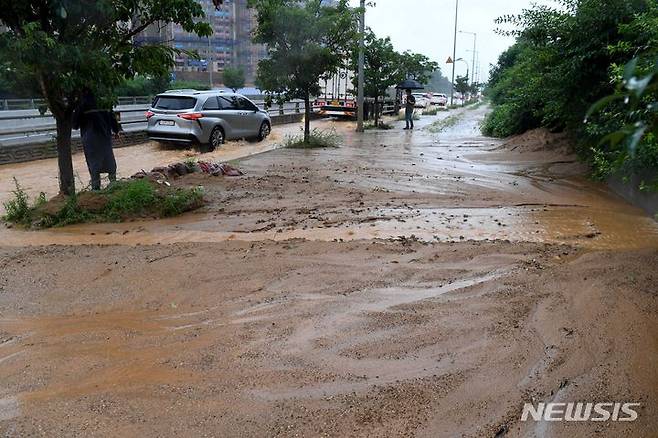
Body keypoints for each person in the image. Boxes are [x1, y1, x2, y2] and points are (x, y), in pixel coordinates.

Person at [72, 89, 122, 190]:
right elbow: (113, 119)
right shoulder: (105, 102)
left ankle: (96, 189)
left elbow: (75, 125)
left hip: (90, 140)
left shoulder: (82, 104)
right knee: (110, 163)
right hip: (104, 138)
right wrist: (116, 131)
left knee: (94, 165)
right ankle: (114, 185)